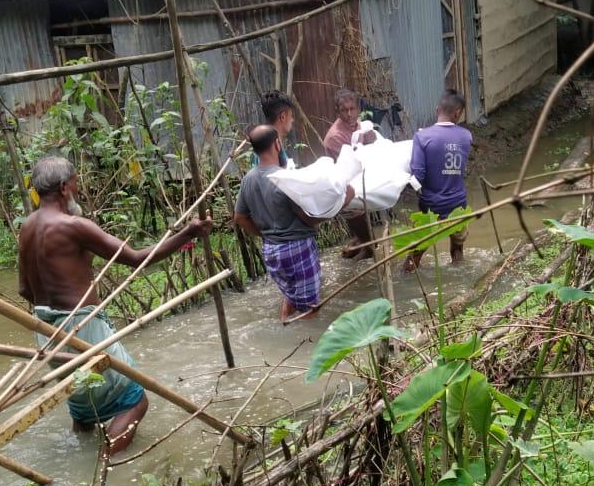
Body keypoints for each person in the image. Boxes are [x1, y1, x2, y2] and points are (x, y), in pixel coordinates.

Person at [18, 154, 212, 455]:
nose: (77, 190)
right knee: (135, 400)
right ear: (64, 188)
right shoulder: (73, 226)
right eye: (75, 184)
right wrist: (187, 233)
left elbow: (24, 289)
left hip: (45, 328)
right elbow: (136, 259)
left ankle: (80, 457)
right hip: (83, 328)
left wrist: (56, 315)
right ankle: (105, 467)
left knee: (83, 400)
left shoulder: (27, 228)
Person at [234, 124, 352, 322]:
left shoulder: (248, 179)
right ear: (277, 144)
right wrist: (339, 205)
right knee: (310, 307)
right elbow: (307, 219)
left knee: (290, 296)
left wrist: (264, 234)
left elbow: (239, 218)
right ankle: (304, 345)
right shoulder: (284, 179)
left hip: (271, 251)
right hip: (297, 248)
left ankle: (284, 328)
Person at [405, 89, 472, 272]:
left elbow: (417, 175)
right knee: (458, 251)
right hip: (458, 204)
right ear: (457, 113)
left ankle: (407, 278)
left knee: (415, 253)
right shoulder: (466, 136)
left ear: (437, 110)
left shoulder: (422, 137)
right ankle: (461, 282)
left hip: (430, 207)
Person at [322, 88, 378, 259]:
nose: (349, 114)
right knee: (371, 248)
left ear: (358, 109)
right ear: (338, 112)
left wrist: (373, 141)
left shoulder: (359, 126)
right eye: (344, 110)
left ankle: (350, 252)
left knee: (365, 238)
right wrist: (368, 146)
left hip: (359, 189)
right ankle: (357, 274)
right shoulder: (335, 137)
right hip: (347, 196)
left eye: (352, 109)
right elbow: (353, 163)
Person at [261, 90, 296, 168]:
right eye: (291, 115)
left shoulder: (262, 144)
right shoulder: (272, 149)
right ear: (282, 117)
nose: (292, 120)